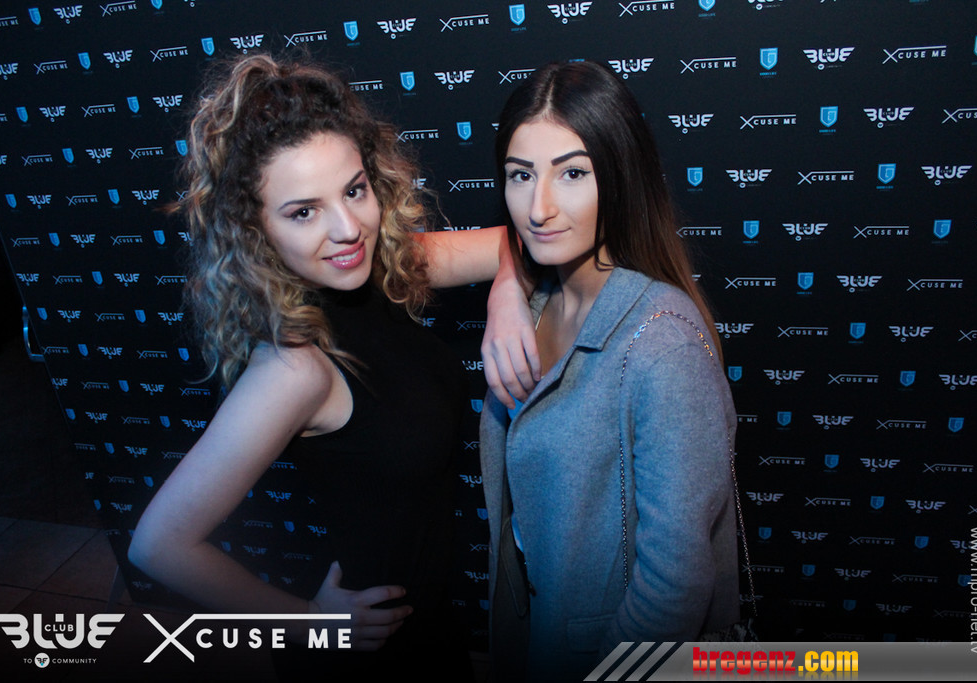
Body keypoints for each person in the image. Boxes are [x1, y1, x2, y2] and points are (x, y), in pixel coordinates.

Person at [127, 53, 531, 681]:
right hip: (378, 647)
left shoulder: (383, 266)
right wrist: (312, 623)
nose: (348, 229)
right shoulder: (293, 369)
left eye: (353, 190)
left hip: (433, 616)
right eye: (303, 211)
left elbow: (518, 241)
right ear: (255, 229)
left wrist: (506, 294)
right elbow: (157, 545)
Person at [479, 60, 740, 681]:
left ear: (619, 177)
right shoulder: (533, 306)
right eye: (521, 175)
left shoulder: (662, 340)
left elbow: (674, 583)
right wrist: (505, 285)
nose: (539, 207)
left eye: (572, 173)